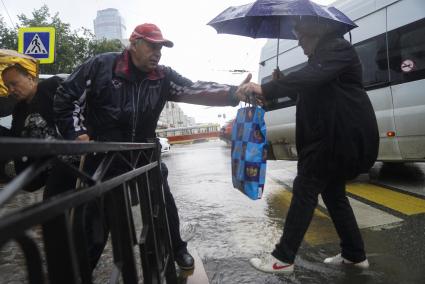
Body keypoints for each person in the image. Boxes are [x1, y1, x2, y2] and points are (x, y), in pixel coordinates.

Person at [54, 23, 248, 272]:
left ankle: (177, 248)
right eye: (152, 46)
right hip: (103, 158)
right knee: (95, 223)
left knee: (163, 206)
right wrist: (77, 134)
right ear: (133, 44)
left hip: (145, 156)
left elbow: (194, 88)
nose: (157, 52)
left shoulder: (162, 76)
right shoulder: (102, 66)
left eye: (161, 48)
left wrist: (233, 92)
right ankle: (80, 272)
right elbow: (67, 96)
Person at [237, 18, 379, 274]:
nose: (299, 44)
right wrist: (283, 83)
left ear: (317, 31)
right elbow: (311, 91)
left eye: (301, 38)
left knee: (305, 189)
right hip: (330, 136)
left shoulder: (337, 48)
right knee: (334, 195)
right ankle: (355, 255)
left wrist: (266, 87)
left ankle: (283, 258)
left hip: (335, 137)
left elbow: (311, 78)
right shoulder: (323, 58)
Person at [1, 64, 77, 195]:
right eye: (8, 86)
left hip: (72, 160)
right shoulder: (19, 109)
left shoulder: (51, 87)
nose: (11, 90)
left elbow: (81, 101)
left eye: (14, 83)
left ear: (30, 78)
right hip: (43, 168)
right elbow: (15, 138)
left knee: (56, 206)